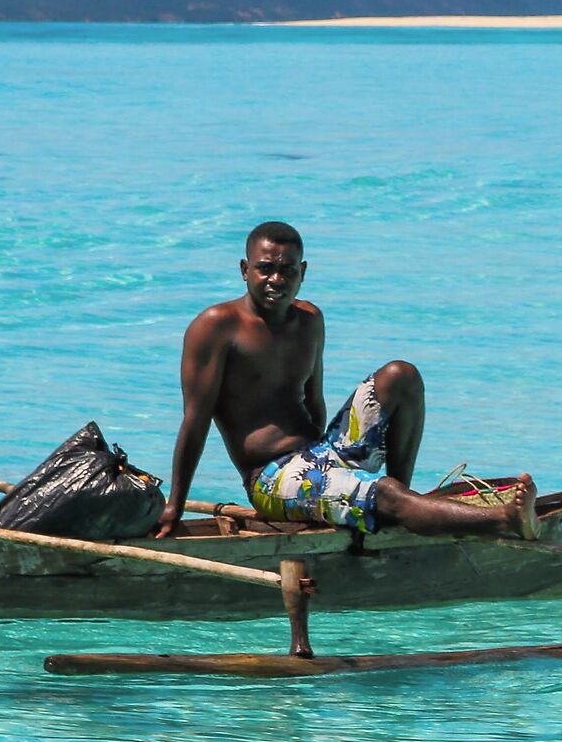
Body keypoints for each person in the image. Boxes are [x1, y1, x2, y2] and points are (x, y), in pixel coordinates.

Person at [154, 223, 536, 541]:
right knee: (383, 493)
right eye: (265, 268)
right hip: (271, 479)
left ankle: (402, 505)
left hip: (322, 452)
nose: (276, 279)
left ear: (303, 272)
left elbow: (314, 402)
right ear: (244, 269)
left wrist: (333, 468)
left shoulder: (309, 320)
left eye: (287, 270)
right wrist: (175, 504)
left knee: (401, 375)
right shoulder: (216, 327)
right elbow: (195, 421)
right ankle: (503, 520)